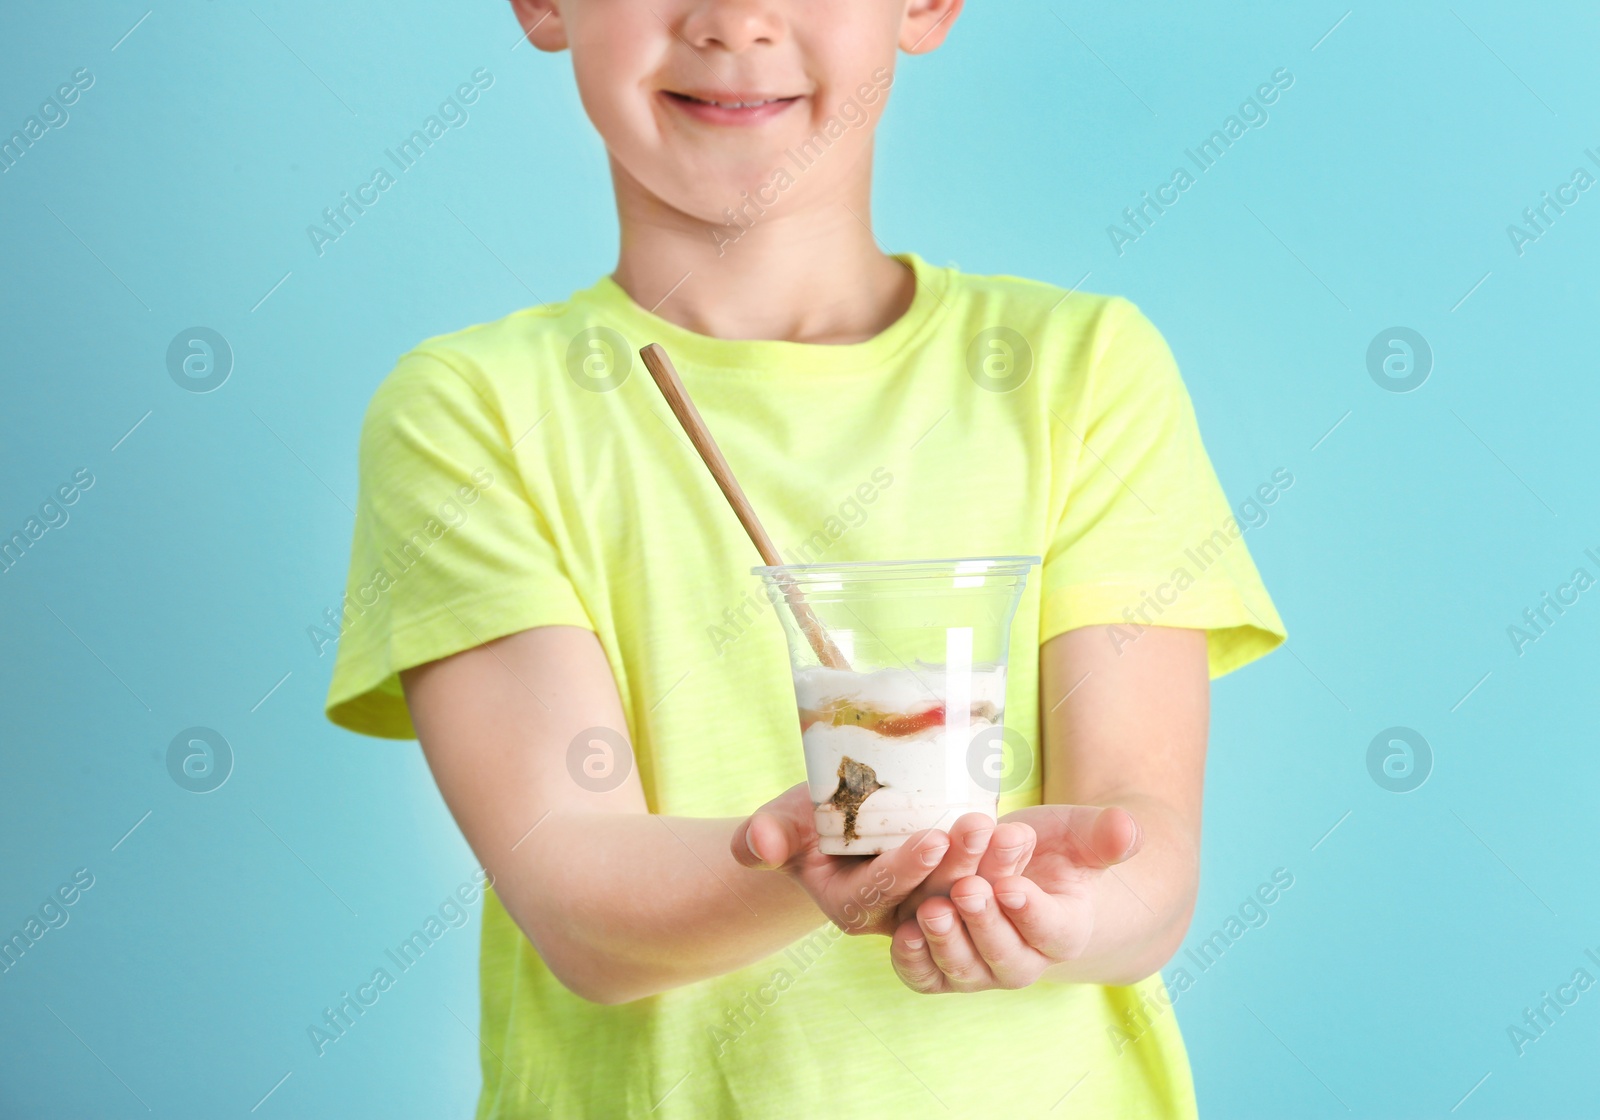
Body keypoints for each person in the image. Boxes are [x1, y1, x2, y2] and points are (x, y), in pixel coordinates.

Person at [324, 1, 1285, 1115]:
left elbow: (1142, 853)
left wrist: (1053, 918)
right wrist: (812, 858)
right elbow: (576, 895)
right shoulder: (472, 411)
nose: (733, 21)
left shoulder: (1077, 373)